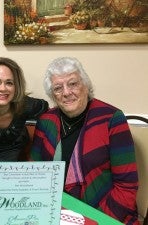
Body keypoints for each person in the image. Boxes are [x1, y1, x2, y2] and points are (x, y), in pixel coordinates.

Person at [30, 57, 139, 224]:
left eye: (73, 84)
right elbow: (34, 175)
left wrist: (95, 220)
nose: (66, 92)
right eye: (58, 88)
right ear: (53, 95)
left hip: (104, 213)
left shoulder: (111, 119)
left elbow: (126, 187)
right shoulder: (46, 121)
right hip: (54, 213)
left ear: (86, 85)